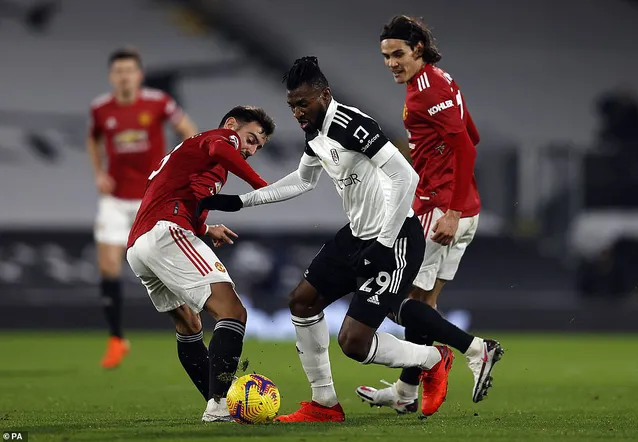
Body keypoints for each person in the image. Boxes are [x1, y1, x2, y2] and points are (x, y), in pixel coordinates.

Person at [197, 57, 502, 423]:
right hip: (356, 235)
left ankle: (434, 359)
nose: (297, 112)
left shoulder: (351, 124)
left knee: (353, 342)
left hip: (396, 238)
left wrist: (385, 243)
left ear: (324, 95)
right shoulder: (315, 130)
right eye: (292, 105)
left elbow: (406, 177)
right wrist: (238, 202)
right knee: (301, 302)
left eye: (303, 103)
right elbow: (303, 180)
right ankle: (324, 404)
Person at [356, 15, 483, 417]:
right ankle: (406, 392)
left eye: (398, 54)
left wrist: (450, 209)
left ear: (418, 50)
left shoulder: (424, 92)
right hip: (462, 208)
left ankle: (475, 349)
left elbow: (466, 148)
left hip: (438, 210)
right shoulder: (440, 80)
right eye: (385, 56)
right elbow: (471, 134)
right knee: (423, 303)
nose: (392, 62)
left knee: (401, 300)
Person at [126, 106, 275, 422]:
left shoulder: (202, 164)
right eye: (250, 139)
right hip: (165, 233)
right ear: (232, 125)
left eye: (257, 147)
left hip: (139, 245)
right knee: (233, 312)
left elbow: (186, 201)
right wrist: (262, 186)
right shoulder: (218, 139)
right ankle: (220, 406)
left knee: (190, 324)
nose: (249, 149)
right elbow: (221, 147)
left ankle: (216, 404)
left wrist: (207, 229)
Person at [87, 47, 198, 369]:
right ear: (112, 76)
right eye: (119, 71)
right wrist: (99, 172)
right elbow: (92, 140)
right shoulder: (100, 109)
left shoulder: (159, 102)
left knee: (162, 266)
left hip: (151, 199)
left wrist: (179, 170)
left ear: (139, 75)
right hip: (115, 199)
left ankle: (190, 323)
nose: (124, 76)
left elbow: (189, 132)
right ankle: (117, 339)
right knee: (108, 266)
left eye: (130, 70)